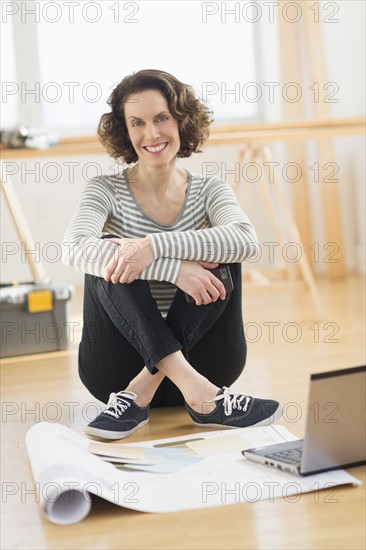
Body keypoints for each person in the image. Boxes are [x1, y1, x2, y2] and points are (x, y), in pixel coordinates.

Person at [62, 69, 281, 440]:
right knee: (108, 259)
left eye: (162, 117)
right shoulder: (104, 189)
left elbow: (247, 239)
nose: (152, 134)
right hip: (115, 368)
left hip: (207, 360)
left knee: (223, 253)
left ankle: (143, 391)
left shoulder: (210, 189)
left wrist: (152, 247)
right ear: (125, 131)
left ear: (181, 119)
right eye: (138, 123)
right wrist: (173, 268)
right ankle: (204, 398)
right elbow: (74, 247)